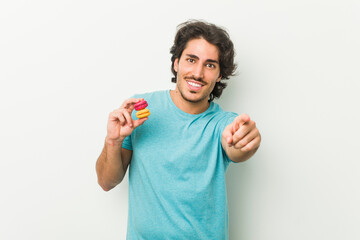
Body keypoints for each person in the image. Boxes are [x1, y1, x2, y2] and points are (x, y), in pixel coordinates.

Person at [96, 20, 261, 239]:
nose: (198, 73)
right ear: (176, 63)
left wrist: (246, 141)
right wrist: (113, 141)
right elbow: (107, 182)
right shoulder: (140, 109)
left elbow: (236, 146)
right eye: (191, 60)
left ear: (220, 75)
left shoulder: (223, 123)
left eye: (210, 65)